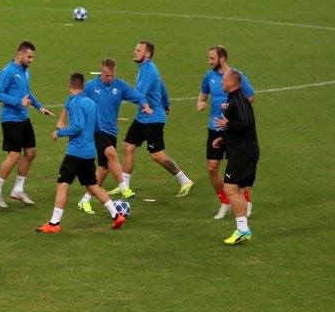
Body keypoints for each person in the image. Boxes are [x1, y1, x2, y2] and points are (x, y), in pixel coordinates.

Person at [37, 73, 127, 233]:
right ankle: (116, 215)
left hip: (75, 153)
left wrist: (59, 133)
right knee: (93, 186)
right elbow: (99, 127)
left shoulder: (75, 102)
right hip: (89, 153)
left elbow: (78, 125)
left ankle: (54, 224)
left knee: (62, 185)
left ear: (70, 86)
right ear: (83, 86)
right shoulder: (92, 103)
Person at [66, 59, 152, 214]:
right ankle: (123, 186)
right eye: (106, 75)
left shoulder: (120, 86)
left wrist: (145, 105)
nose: (109, 78)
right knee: (111, 152)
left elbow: (138, 96)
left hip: (112, 131)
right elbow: (73, 99)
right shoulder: (91, 86)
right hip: (96, 130)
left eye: (112, 75)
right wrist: (62, 119)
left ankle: (85, 201)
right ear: (101, 72)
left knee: (104, 168)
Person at [121, 41, 194, 197]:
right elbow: (162, 87)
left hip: (152, 118)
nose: (134, 52)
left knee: (157, 155)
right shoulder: (147, 68)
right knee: (128, 146)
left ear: (147, 54)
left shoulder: (148, 70)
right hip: (143, 117)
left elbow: (138, 94)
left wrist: (118, 95)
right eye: (135, 49)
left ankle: (185, 180)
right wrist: (166, 104)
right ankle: (124, 186)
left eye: (138, 50)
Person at [0, 41, 55, 208]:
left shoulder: (25, 71)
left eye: (32, 57)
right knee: (14, 155)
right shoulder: (8, 71)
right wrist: (18, 101)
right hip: (10, 118)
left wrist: (39, 107)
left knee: (31, 152)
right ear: (20, 55)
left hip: (23, 117)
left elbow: (27, 92)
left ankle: (18, 189)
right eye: (29, 56)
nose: (31, 60)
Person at [197, 45, 256, 219]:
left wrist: (233, 107)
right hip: (215, 128)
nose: (210, 61)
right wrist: (200, 102)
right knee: (212, 168)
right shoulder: (209, 76)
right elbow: (203, 93)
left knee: (235, 169)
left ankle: (245, 200)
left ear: (222, 59)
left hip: (233, 132)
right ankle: (224, 202)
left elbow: (251, 96)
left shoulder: (237, 76)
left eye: (212, 58)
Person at [212, 70, 259, 245]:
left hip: (243, 152)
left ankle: (243, 229)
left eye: (223, 80)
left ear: (232, 83)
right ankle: (242, 229)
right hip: (244, 149)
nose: (221, 82)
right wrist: (223, 138)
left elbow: (246, 122)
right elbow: (242, 128)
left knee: (230, 189)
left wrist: (227, 124)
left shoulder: (237, 100)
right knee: (237, 190)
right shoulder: (234, 99)